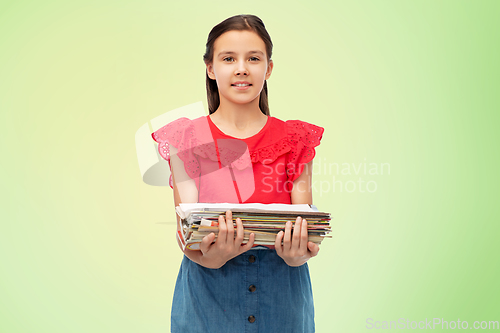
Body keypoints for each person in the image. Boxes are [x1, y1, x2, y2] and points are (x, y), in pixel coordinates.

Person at [151, 14, 324, 333]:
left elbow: (306, 230)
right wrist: (212, 259)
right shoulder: (185, 140)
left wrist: (297, 255)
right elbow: (185, 235)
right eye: (228, 58)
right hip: (208, 293)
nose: (241, 68)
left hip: (283, 292)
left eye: (253, 58)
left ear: (268, 68)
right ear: (210, 68)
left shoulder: (296, 139)